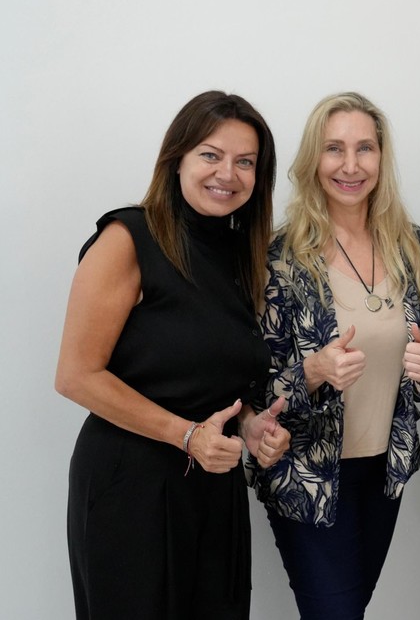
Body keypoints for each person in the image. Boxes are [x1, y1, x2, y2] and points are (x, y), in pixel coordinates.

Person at [57, 91, 289, 620]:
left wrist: (250, 425)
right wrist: (186, 435)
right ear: (176, 158)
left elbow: (216, 376)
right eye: (211, 154)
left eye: (245, 161)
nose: (227, 173)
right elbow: (76, 375)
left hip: (213, 485)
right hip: (130, 486)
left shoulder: (239, 252)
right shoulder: (127, 238)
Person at [247, 92, 420, 620]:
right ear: (313, 159)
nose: (351, 165)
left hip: (385, 470)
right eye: (334, 148)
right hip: (308, 471)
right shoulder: (278, 256)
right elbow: (253, 389)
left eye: (365, 149)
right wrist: (313, 371)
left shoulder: (411, 246)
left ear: (382, 157)